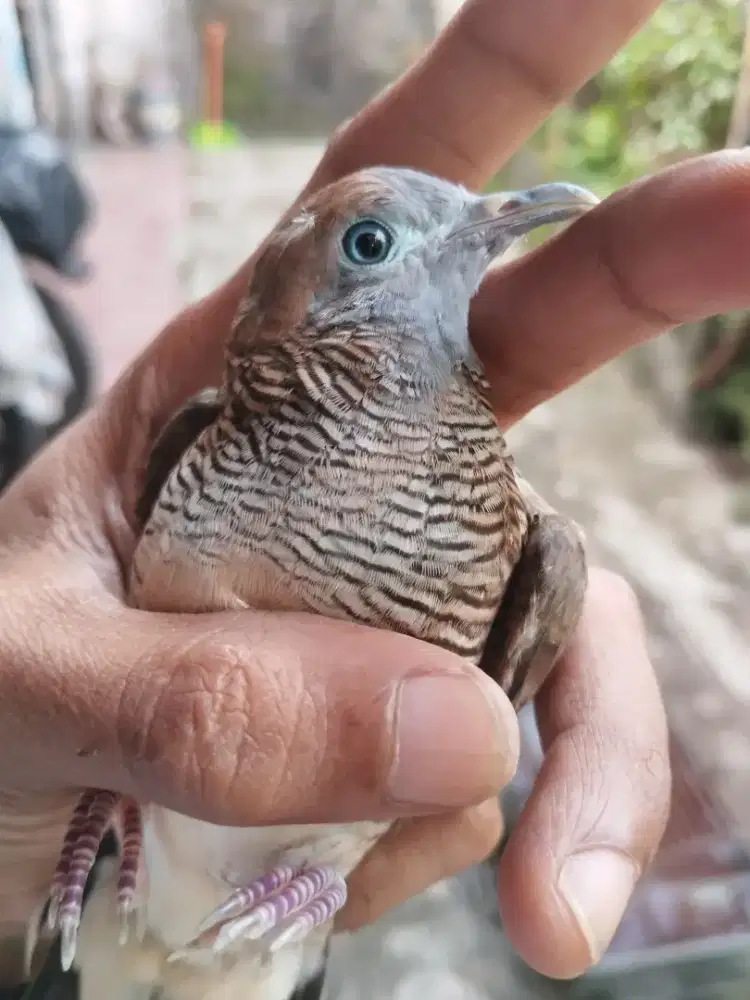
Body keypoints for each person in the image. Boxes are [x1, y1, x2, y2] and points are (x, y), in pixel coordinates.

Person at [2, 0, 749, 986]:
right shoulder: (209, 437)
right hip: (114, 872)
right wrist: (99, 781)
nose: (504, 215)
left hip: (267, 922)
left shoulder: (508, 534)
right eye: (371, 245)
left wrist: (325, 869)